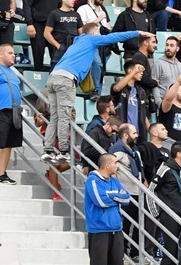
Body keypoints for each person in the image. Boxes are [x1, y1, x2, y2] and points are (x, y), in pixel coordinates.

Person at [40, 28, 144, 164]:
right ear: (94, 32)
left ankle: (48, 150)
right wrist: (137, 33)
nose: (100, 34)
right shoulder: (91, 39)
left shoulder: (76, 43)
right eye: (99, 31)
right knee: (64, 116)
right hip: (66, 79)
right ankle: (64, 151)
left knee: (54, 117)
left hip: (53, 77)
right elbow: (113, 37)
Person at [85, 153, 132, 265]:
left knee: (114, 261)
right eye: (116, 163)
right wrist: (116, 196)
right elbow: (100, 201)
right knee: (98, 261)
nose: (118, 166)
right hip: (98, 227)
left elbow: (127, 198)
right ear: (107, 165)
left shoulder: (114, 180)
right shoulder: (92, 180)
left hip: (116, 227)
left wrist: (110, 195)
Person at [0, 44, 21, 184]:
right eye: (10, 53)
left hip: (14, 112)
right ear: (0, 55)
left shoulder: (12, 72)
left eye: (14, 53)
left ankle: (1, 174)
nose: (14, 55)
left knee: (8, 144)